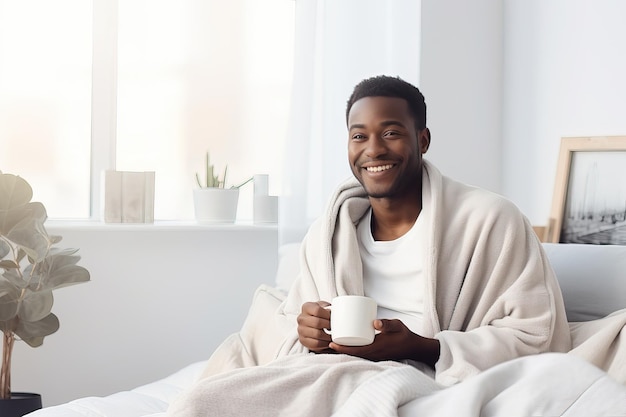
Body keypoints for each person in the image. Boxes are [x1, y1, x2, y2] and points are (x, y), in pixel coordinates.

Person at [167, 75, 572, 415]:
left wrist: (423, 346)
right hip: (336, 370)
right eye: (359, 135)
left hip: (424, 378)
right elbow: (291, 335)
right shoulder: (329, 234)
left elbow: (536, 334)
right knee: (204, 399)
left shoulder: (489, 220)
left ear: (423, 139)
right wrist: (307, 333)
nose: (373, 149)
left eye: (391, 133)